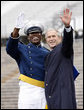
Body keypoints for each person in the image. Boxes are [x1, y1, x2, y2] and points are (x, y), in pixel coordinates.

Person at [6, 13, 49, 109]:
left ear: (41, 35)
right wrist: (16, 29)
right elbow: (10, 48)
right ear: (28, 37)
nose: (35, 35)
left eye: (37, 33)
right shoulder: (22, 49)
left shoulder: (47, 52)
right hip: (27, 91)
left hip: (43, 90)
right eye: (32, 33)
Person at [44, 8, 77, 109]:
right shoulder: (49, 54)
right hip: (53, 98)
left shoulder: (64, 49)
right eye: (49, 37)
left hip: (64, 99)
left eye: (54, 36)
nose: (51, 39)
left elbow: (68, 41)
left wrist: (67, 27)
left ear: (60, 38)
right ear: (46, 40)